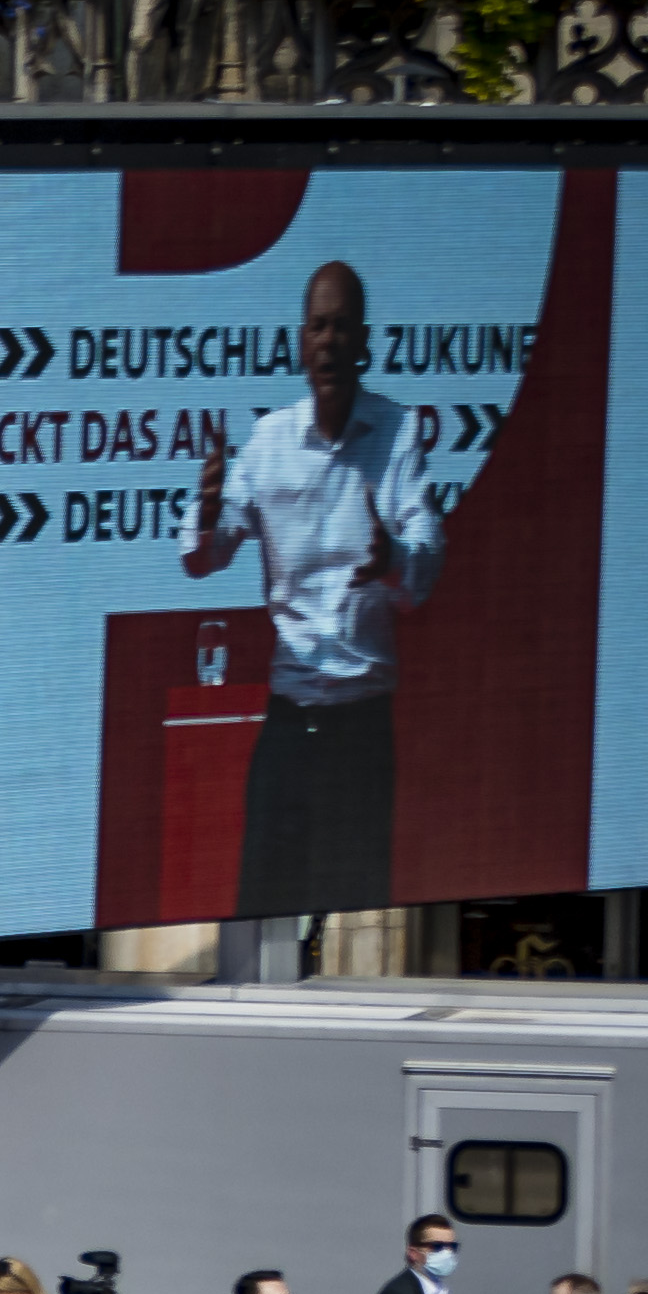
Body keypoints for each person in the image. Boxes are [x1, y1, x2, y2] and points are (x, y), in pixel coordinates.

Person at [181, 258, 452, 922]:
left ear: (364, 343)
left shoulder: (398, 434)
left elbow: (425, 563)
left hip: (361, 729)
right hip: (288, 720)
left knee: (354, 915)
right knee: (259, 913)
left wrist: (391, 558)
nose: (329, 341)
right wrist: (206, 513)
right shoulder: (269, 442)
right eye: (318, 326)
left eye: (342, 327)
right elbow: (202, 558)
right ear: (301, 342)